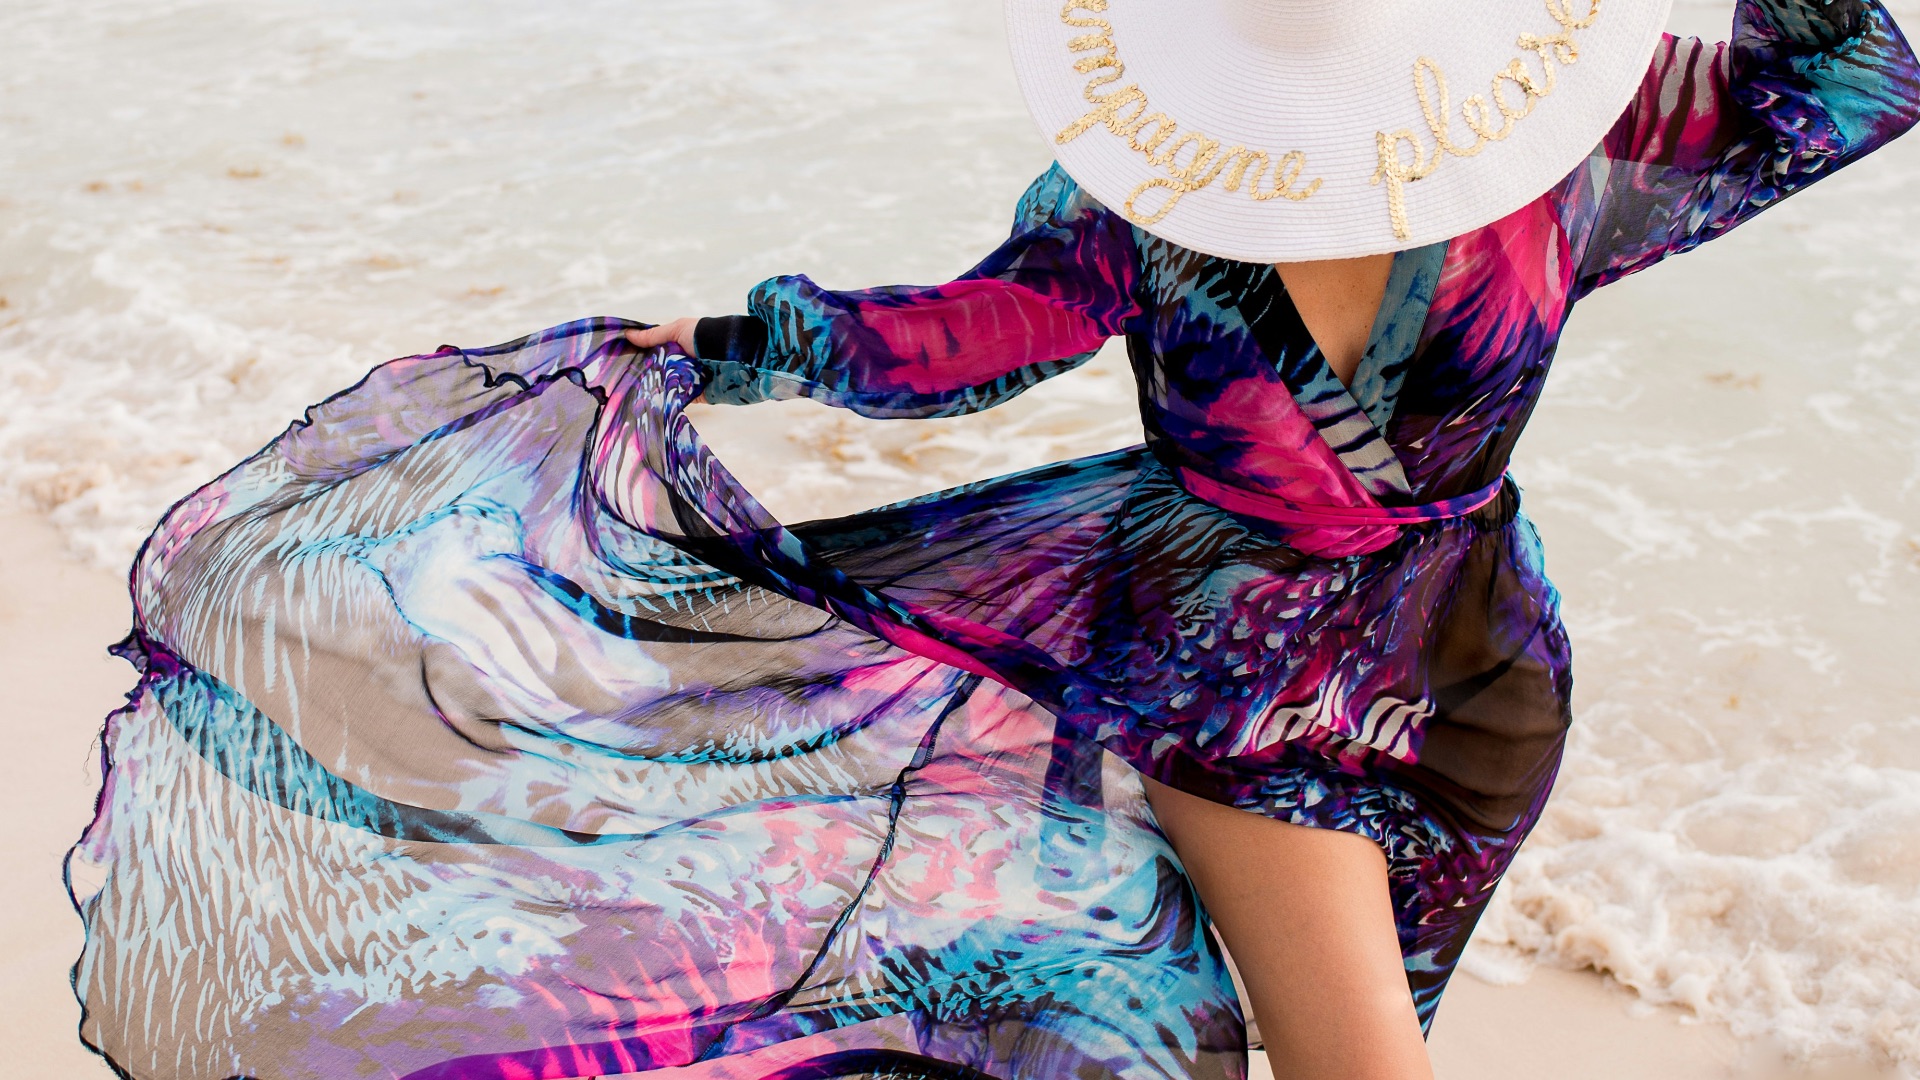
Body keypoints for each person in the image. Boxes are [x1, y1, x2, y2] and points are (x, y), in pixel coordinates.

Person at [65, 0, 1918, 1078]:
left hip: (1470, 669)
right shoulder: (1566, 174)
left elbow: (951, 344)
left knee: (1266, 1028)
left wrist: (737, 340)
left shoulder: (1204, 189)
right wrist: (725, 349)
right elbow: (1846, 75)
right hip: (1249, 692)